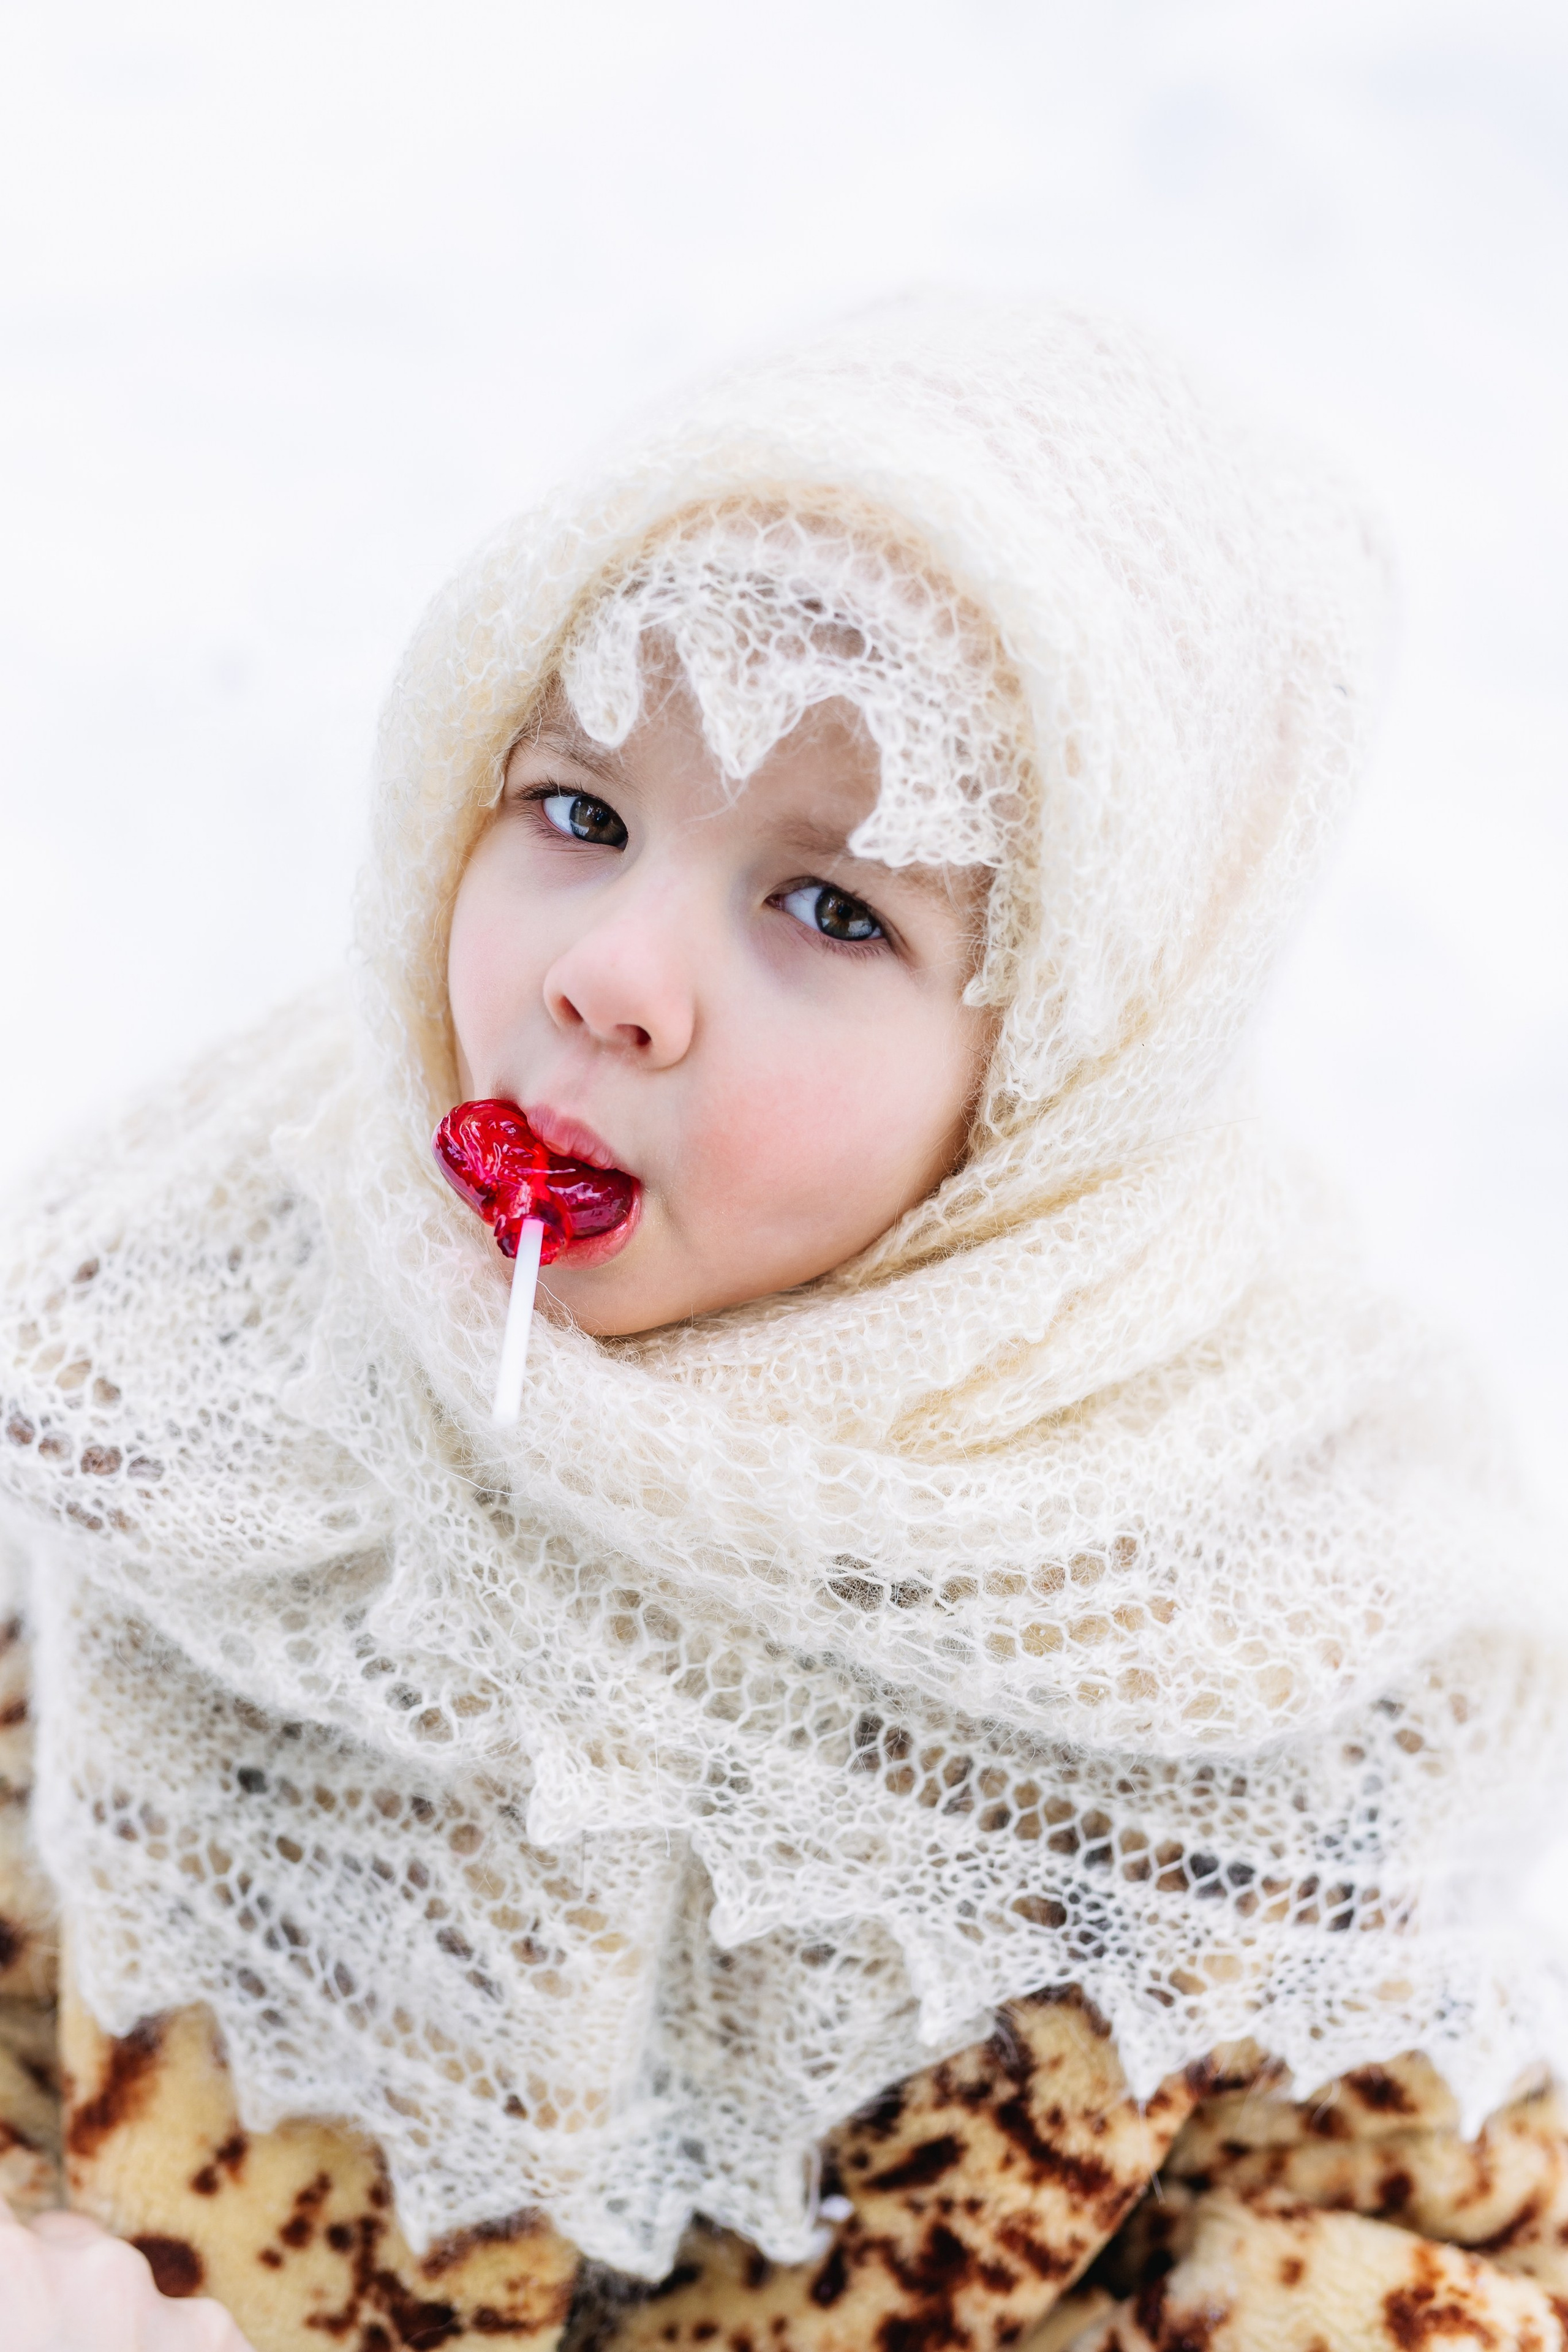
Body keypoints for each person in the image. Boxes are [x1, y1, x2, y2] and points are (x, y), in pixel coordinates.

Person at [1, 298, 1564, 2351]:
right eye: (577, 811)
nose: (612, 975)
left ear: (1071, 1069)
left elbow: (1452, 2276)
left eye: (834, 909)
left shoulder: (1254, 1652)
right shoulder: (188, 1332)